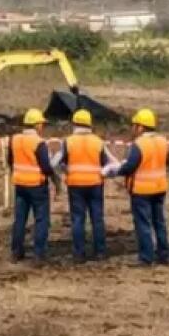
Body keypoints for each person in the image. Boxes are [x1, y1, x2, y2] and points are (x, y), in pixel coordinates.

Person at [105, 108, 169, 266]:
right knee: (159, 222)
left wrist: (115, 171)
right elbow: (167, 161)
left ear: (141, 127)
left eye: (134, 126)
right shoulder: (162, 141)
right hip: (159, 188)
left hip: (142, 190)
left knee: (143, 224)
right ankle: (164, 255)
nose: (132, 129)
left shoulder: (139, 144)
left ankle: (146, 257)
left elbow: (130, 166)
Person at [52, 109, 117, 262]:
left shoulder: (68, 141)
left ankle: (79, 253)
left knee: (77, 219)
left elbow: (55, 163)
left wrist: (65, 170)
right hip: (95, 184)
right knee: (97, 219)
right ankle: (100, 252)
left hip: (75, 185)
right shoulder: (98, 142)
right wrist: (105, 173)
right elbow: (111, 163)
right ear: (90, 124)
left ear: (74, 124)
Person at [7, 108, 60, 263]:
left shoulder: (14, 139)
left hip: (20, 184)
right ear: (36, 125)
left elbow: (10, 161)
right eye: (41, 124)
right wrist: (55, 179)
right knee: (42, 220)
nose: (42, 127)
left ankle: (16, 252)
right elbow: (45, 166)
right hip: (37, 185)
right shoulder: (38, 142)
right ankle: (39, 254)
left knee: (20, 219)